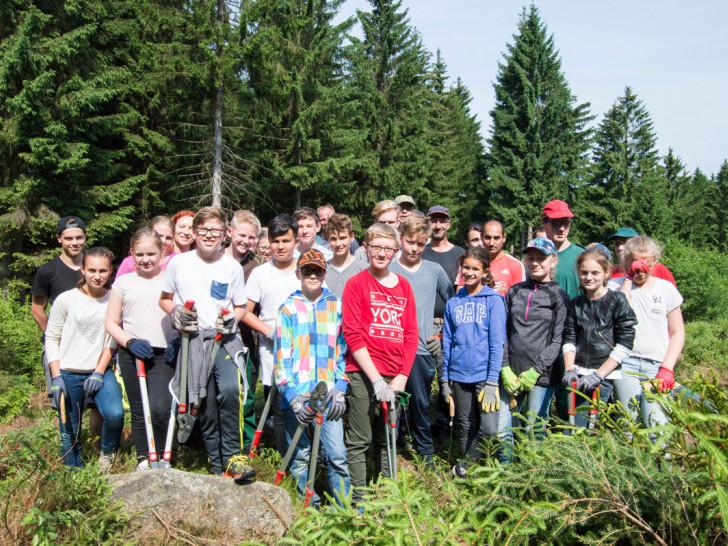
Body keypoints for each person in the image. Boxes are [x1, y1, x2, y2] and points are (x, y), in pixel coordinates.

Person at [160, 206, 255, 481]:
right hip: (193, 341)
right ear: (195, 232)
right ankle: (217, 464)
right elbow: (165, 298)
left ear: (225, 233)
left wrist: (232, 321)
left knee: (228, 391)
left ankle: (235, 457)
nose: (209, 235)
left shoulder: (232, 267)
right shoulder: (179, 263)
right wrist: (175, 312)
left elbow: (240, 307)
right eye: (203, 230)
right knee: (205, 401)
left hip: (223, 340)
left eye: (215, 230)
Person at [343, 223, 418, 505]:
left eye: (388, 248)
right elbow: (353, 335)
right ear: (366, 247)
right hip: (363, 374)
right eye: (376, 247)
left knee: (387, 436)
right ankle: (359, 500)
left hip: (394, 374)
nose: (382, 253)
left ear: (396, 252)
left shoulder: (404, 286)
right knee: (360, 437)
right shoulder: (356, 284)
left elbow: (411, 335)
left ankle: (387, 495)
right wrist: (375, 379)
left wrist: (401, 376)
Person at [274, 248, 350, 507]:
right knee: (300, 454)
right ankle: (307, 507)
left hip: (328, 396)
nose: (313, 275)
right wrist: (293, 398)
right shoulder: (287, 309)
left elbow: (344, 352)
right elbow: (281, 359)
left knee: (337, 454)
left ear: (325, 273)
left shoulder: (337, 306)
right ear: (298, 274)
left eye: (318, 270)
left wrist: (340, 387)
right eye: (307, 271)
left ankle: (343, 509)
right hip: (299, 396)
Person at [45, 247, 123, 470]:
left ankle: (106, 455)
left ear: (110, 271)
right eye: (91, 270)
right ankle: (74, 473)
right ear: (83, 269)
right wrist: (56, 375)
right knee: (69, 427)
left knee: (115, 414)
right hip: (68, 372)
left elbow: (112, 340)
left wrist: (99, 372)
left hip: (100, 372)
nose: (97, 276)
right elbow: (51, 337)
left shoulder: (113, 301)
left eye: (102, 270)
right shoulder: (66, 299)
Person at [106, 228, 177, 471]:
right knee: (139, 408)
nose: (145, 259)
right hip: (133, 352)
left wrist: (177, 340)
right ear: (131, 255)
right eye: (139, 254)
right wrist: (130, 342)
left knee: (160, 407)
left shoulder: (172, 280)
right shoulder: (124, 282)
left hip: (164, 353)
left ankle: (164, 455)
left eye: (151, 253)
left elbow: (182, 316)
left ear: (163, 252)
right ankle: (144, 458)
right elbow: (111, 323)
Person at [389, 216, 454, 465]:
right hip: (391, 349)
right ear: (400, 240)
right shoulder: (389, 269)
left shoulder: (434, 271)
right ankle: (391, 448)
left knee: (420, 401)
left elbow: (454, 306)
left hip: (422, 350)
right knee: (392, 401)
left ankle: (425, 452)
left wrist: (442, 336)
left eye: (420, 243)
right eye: (409, 242)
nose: (414, 248)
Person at [498, 238, 569, 462]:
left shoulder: (559, 296)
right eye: (530, 258)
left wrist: (535, 371)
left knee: (533, 428)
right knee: (504, 428)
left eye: (541, 258)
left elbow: (558, 340)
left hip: (542, 376)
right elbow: (505, 332)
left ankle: (533, 474)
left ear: (553, 260)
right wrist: (505, 367)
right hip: (512, 373)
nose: (535, 263)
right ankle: (504, 472)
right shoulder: (514, 291)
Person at [441, 247, 506, 477]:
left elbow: (497, 343)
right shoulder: (453, 303)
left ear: (485, 271)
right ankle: (469, 476)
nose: (469, 272)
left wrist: (491, 381)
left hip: (483, 377)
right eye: (465, 268)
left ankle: (462, 467)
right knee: (464, 426)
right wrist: (445, 379)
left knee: (488, 429)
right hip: (458, 375)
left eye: (474, 269)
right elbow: (447, 342)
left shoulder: (494, 301)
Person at [242, 214, 302, 456]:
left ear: (296, 240)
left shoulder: (306, 267)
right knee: (277, 405)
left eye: (286, 241)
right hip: (272, 349)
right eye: (275, 241)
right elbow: (245, 312)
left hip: (303, 350)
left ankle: (303, 452)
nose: (280, 246)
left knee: (302, 402)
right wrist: (267, 330)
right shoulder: (260, 273)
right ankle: (285, 456)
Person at [612, 236, 685, 430]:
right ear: (626, 262)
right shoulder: (615, 286)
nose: (641, 270)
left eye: (647, 265)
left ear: (655, 263)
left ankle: (664, 461)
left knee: (658, 427)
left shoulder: (665, 289)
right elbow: (621, 312)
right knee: (629, 427)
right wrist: (628, 278)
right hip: (625, 363)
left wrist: (667, 369)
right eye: (635, 264)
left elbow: (678, 332)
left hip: (657, 366)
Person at [562, 248, 637, 428]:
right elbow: (570, 338)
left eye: (595, 273)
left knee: (592, 427)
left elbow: (625, 344)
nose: (589, 277)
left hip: (604, 376)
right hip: (579, 373)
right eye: (584, 273)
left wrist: (599, 375)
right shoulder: (576, 304)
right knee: (575, 426)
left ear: (606, 273)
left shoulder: (617, 301)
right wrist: (569, 369)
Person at [540, 200, 583, 299]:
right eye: (556, 224)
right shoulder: (535, 257)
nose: (562, 229)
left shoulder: (582, 256)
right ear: (543, 222)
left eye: (566, 224)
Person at [609, 228, 676, 287]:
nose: (620, 248)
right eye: (617, 244)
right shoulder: (612, 274)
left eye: (626, 243)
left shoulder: (660, 270)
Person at [324, 213, 366, 299]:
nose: (338, 244)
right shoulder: (322, 270)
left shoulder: (364, 269)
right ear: (328, 239)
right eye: (333, 239)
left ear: (351, 237)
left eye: (343, 238)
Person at [482, 220, 525, 296]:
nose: (491, 243)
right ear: (481, 237)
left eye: (496, 238)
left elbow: (519, 299)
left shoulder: (515, 265)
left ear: (504, 238)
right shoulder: (473, 263)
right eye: (488, 238)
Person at [224, 210, 265, 282]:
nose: (246, 241)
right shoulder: (216, 257)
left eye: (251, 237)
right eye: (242, 235)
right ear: (229, 232)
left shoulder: (258, 262)